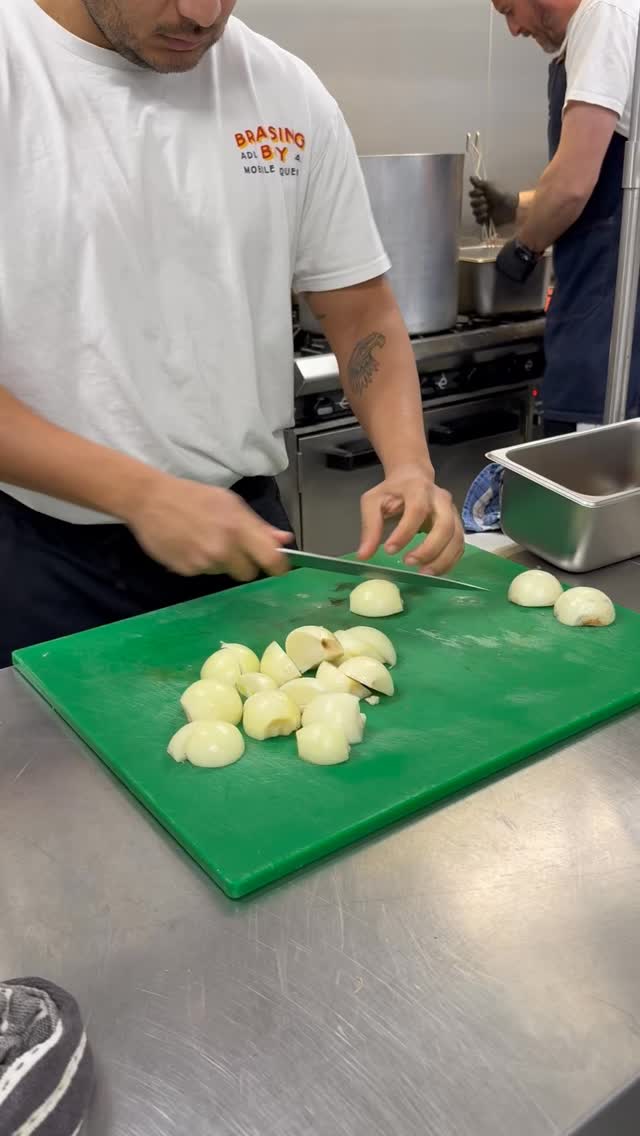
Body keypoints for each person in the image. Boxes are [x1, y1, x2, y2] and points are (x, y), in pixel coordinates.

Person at [0, 0, 464, 667]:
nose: (201, 12)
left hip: (246, 541)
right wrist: (140, 494)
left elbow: (360, 310)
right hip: (46, 557)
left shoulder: (285, 91)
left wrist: (411, 465)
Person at [470, 0, 640, 436]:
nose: (513, 29)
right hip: (607, 328)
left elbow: (571, 187)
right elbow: (608, 190)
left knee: (586, 480)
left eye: (509, 10)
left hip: (609, 344)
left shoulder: (605, 17)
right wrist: (517, 207)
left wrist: (524, 248)